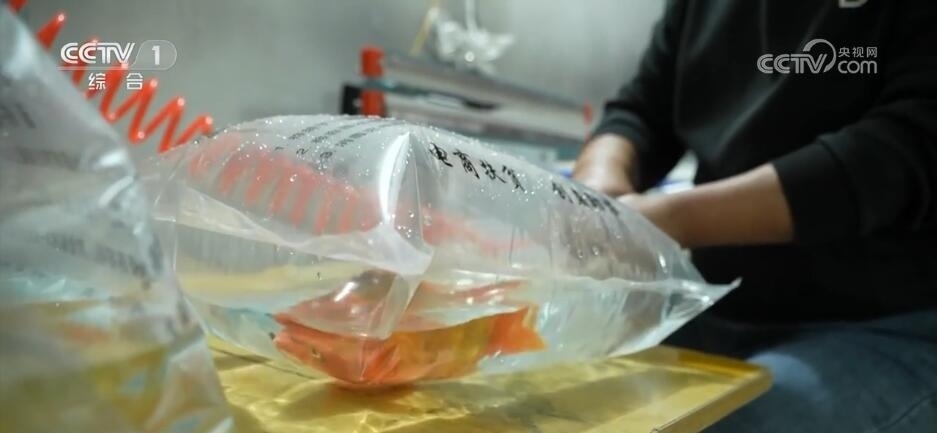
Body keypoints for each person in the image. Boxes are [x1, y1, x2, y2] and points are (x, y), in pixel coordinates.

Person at [573, 1, 937, 432]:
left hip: (888, 328)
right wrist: (595, 193)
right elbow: (641, 110)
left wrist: (667, 219)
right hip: (711, 309)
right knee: (549, 392)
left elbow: (897, 155)